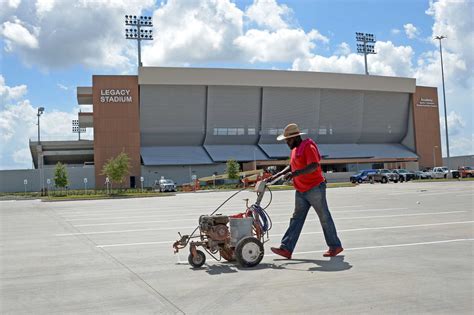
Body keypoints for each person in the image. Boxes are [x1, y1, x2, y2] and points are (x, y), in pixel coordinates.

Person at [269, 123, 343, 259]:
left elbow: (314, 165)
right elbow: (292, 166)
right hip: (301, 190)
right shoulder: (295, 149)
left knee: (324, 217)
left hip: (315, 188)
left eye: (288, 140)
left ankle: (335, 246)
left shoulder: (308, 147)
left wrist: (295, 174)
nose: (286, 142)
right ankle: (286, 248)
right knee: (296, 219)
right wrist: (277, 175)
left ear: (296, 137)